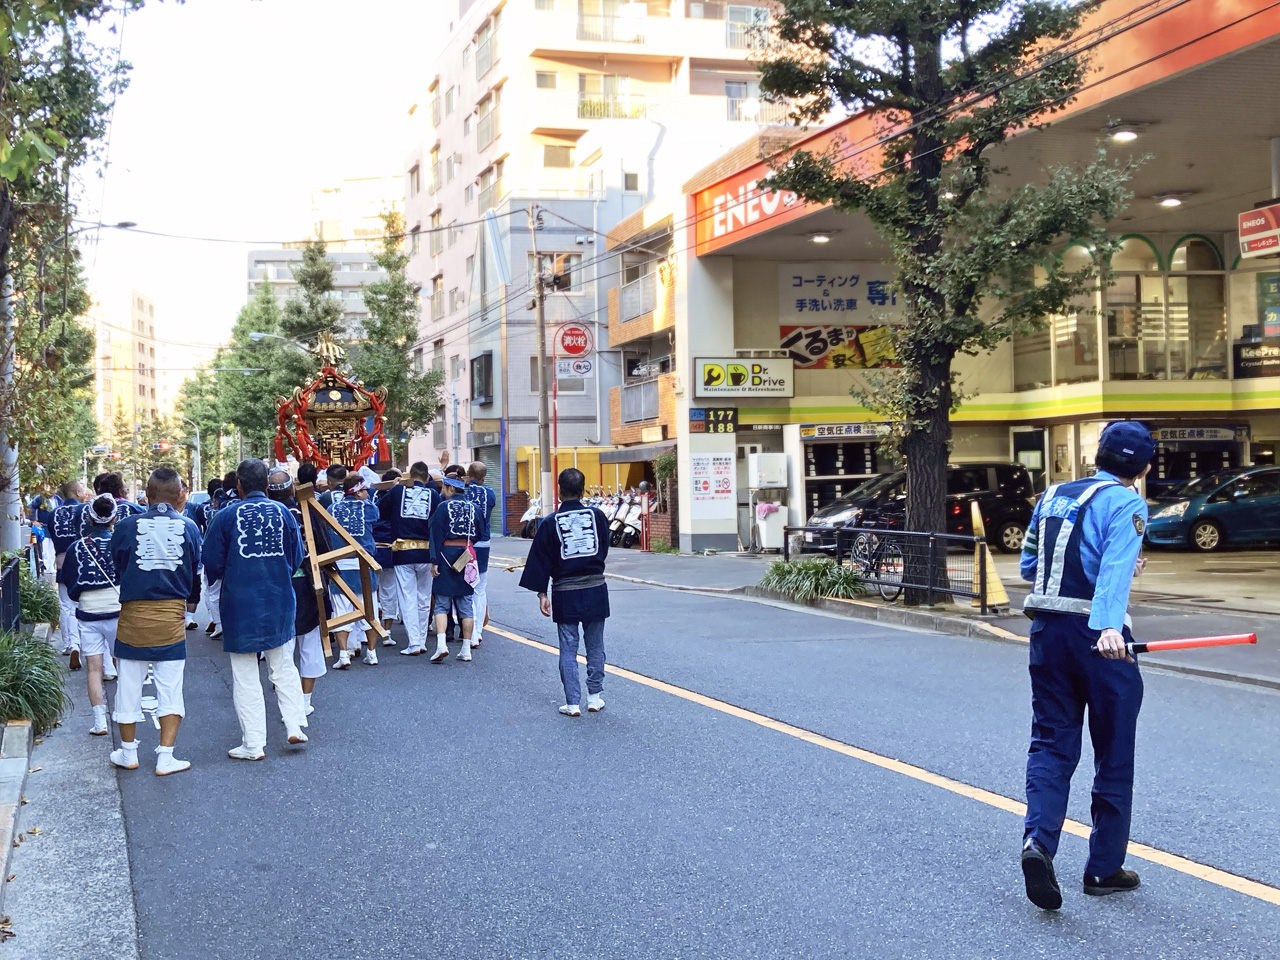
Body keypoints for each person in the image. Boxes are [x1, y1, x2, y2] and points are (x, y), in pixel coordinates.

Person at [1018, 421, 1153, 912]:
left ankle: (1038, 843)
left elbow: (1030, 566)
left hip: (1047, 632)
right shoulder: (1127, 503)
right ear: (1143, 467)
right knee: (1114, 750)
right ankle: (1103, 867)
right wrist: (1110, 627)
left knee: (1051, 743)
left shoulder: (1053, 495)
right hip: (1101, 638)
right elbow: (1114, 571)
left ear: (1097, 456)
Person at [203, 459, 309, 761]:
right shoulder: (283, 513)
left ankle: (253, 743)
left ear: (238, 485)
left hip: (239, 600)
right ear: (266, 485)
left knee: (245, 672)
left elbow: (212, 562)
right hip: (278, 596)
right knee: (283, 664)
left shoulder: (225, 517)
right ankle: (295, 724)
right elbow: (296, 555)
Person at [108, 467, 201, 776]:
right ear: (180, 495)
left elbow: (119, 565)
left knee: (129, 686)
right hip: (171, 615)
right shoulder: (188, 526)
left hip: (133, 613)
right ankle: (165, 756)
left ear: (146, 495)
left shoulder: (125, 526)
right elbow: (193, 568)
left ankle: (128, 752)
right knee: (171, 688)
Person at [520, 468, 611, 717]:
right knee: (595, 645)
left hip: (565, 590)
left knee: (568, 647)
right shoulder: (598, 516)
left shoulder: (550, 522)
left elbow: (540, 559)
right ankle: (594, 697)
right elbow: (603, 547)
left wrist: (542, 593)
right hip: (595, 586)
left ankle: (572, 702)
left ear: (559, 491)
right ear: (583, 490)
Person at [58, 494, 122, 736]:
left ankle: (99, 722)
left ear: (89, 517)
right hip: (117, 610)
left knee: (93, 669)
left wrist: (83, 596)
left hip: (88, 613)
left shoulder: (77, 547)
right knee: (124, 666)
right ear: (114, 517)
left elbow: (69, 583)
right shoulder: (120, 542)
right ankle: (124, 714)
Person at [268, 471, 326, 718]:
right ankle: (304, 701)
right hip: (308, 584)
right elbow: (323, 545)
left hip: (276, 585)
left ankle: (288, 702)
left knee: (282, 646)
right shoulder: (306, 511)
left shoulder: (266, 516)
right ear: (292, 490)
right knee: (310, 643)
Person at [379, 461, 436, 656]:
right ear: (427, 478)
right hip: (427, 552)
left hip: (402, 551)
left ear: (409, 476)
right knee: (424, 598)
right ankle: (421, 639)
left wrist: (395, 489)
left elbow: (382, 511)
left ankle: (414, 643)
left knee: (407, 597)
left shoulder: (397, 492)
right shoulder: (433, 494)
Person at [329, 473, 382, 667]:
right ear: (357, 491)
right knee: (369, 610)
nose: (367, 493)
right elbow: (376, 517)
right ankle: (372, 653)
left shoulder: (331, 508)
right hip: (365, 564)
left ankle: (343, 654)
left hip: (341, 565)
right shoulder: (369, 508)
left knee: (342, 612)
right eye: (364, 490)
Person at [429, 474, 479, 663]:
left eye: (443, 487)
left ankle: (442, 645)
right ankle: (466, 648)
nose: (442, 491)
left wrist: (434, 560)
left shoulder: (442, 507)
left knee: (442, 603)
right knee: (466, 604)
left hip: (445, 554)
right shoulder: (473, 507)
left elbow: (435, 534)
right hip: (467, 554)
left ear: (450, 488)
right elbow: (482, 532)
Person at [49, 480, 92, 670]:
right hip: (83, 560)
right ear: (76, 492)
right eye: (82, 490)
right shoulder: (85, 511)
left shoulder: (54, 514)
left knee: (66, 605)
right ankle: (86, 643)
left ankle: (70, 644)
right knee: (84, 603)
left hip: (62, 560)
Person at [465, 461, 497, 647]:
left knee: (463, 587)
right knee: (479, 587)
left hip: (463, 543)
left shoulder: (462, 491)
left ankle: (466, 629)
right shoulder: (490, 494)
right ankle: (476, 632)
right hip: (483, 543)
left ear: (468, 474)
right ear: (484, 478)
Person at [374, 468, 402, 640]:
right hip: (391, 546)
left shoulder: (371, 496)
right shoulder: (399, 497)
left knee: (371, 591)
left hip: (373, 549)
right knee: (389, 590)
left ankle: (371, 628)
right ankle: (388, 630)